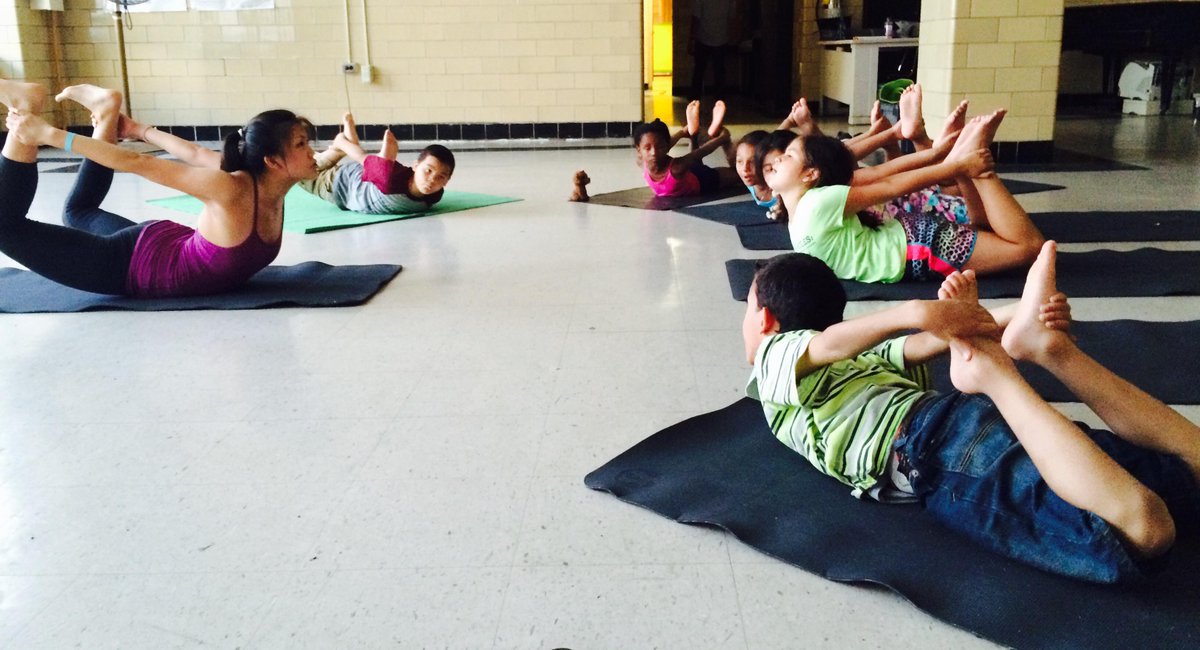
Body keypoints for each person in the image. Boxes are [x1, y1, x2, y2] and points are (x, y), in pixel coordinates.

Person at [741, 243, 1200, 583]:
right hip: (968, 422)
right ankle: (1045, 352)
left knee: (1145, 529)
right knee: (1188, 472)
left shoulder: (775, 352)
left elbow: (914, 337)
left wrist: (943, 313)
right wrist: (989, 314)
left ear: (765, 321)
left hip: (935, 449)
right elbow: (903, 341)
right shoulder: (823, 358)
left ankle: (1002, 366)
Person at [1, 78, 315, 297]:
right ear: (272, 161)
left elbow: (195, 153)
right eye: (302, 144)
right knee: (5, 228)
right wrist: (51, 136)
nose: (313, 152)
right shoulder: (230, 189)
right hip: (126, 266)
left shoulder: (266, 184)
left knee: (78, 211)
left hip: (160, 246)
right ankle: (23, 117)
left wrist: (139, 129)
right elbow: (141, 164)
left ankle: (106, 113)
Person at [764, 107, 1045, 283]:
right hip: (914, 243)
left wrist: (951, 163)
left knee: (1029, 249)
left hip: (919, 249)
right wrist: (939, 157)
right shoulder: (810, 202)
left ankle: (980, 173)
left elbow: (890, 185)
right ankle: (965, 168)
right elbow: (882, 174)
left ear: (810, 174)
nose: (775, 160)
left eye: (787, 156)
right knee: (984, 228)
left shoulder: (817, 202)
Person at [299, 112, 454, 216]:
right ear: (415, 166)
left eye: (440, 177)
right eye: (428, 171)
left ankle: (343, 147)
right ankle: (342, 143)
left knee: (377, 171)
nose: (432, 180)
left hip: (362, 177)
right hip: (339, 185)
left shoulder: (435, 195)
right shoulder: (390, 181)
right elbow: (362, 157)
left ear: (447, 182)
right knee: (303, 175)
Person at [635, 99, 739, 198]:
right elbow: (665, 145)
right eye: (647, 148)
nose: (653, 152)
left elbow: (702, 151)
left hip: (705, 180)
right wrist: (682, 133)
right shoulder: (645, 161)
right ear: (639, 149)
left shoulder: (676, 167)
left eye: (659, 147)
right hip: (689, 174)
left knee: (738, 174)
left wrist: (722, 138)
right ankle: (693, 133)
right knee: (692, 161)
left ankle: (696, 132)